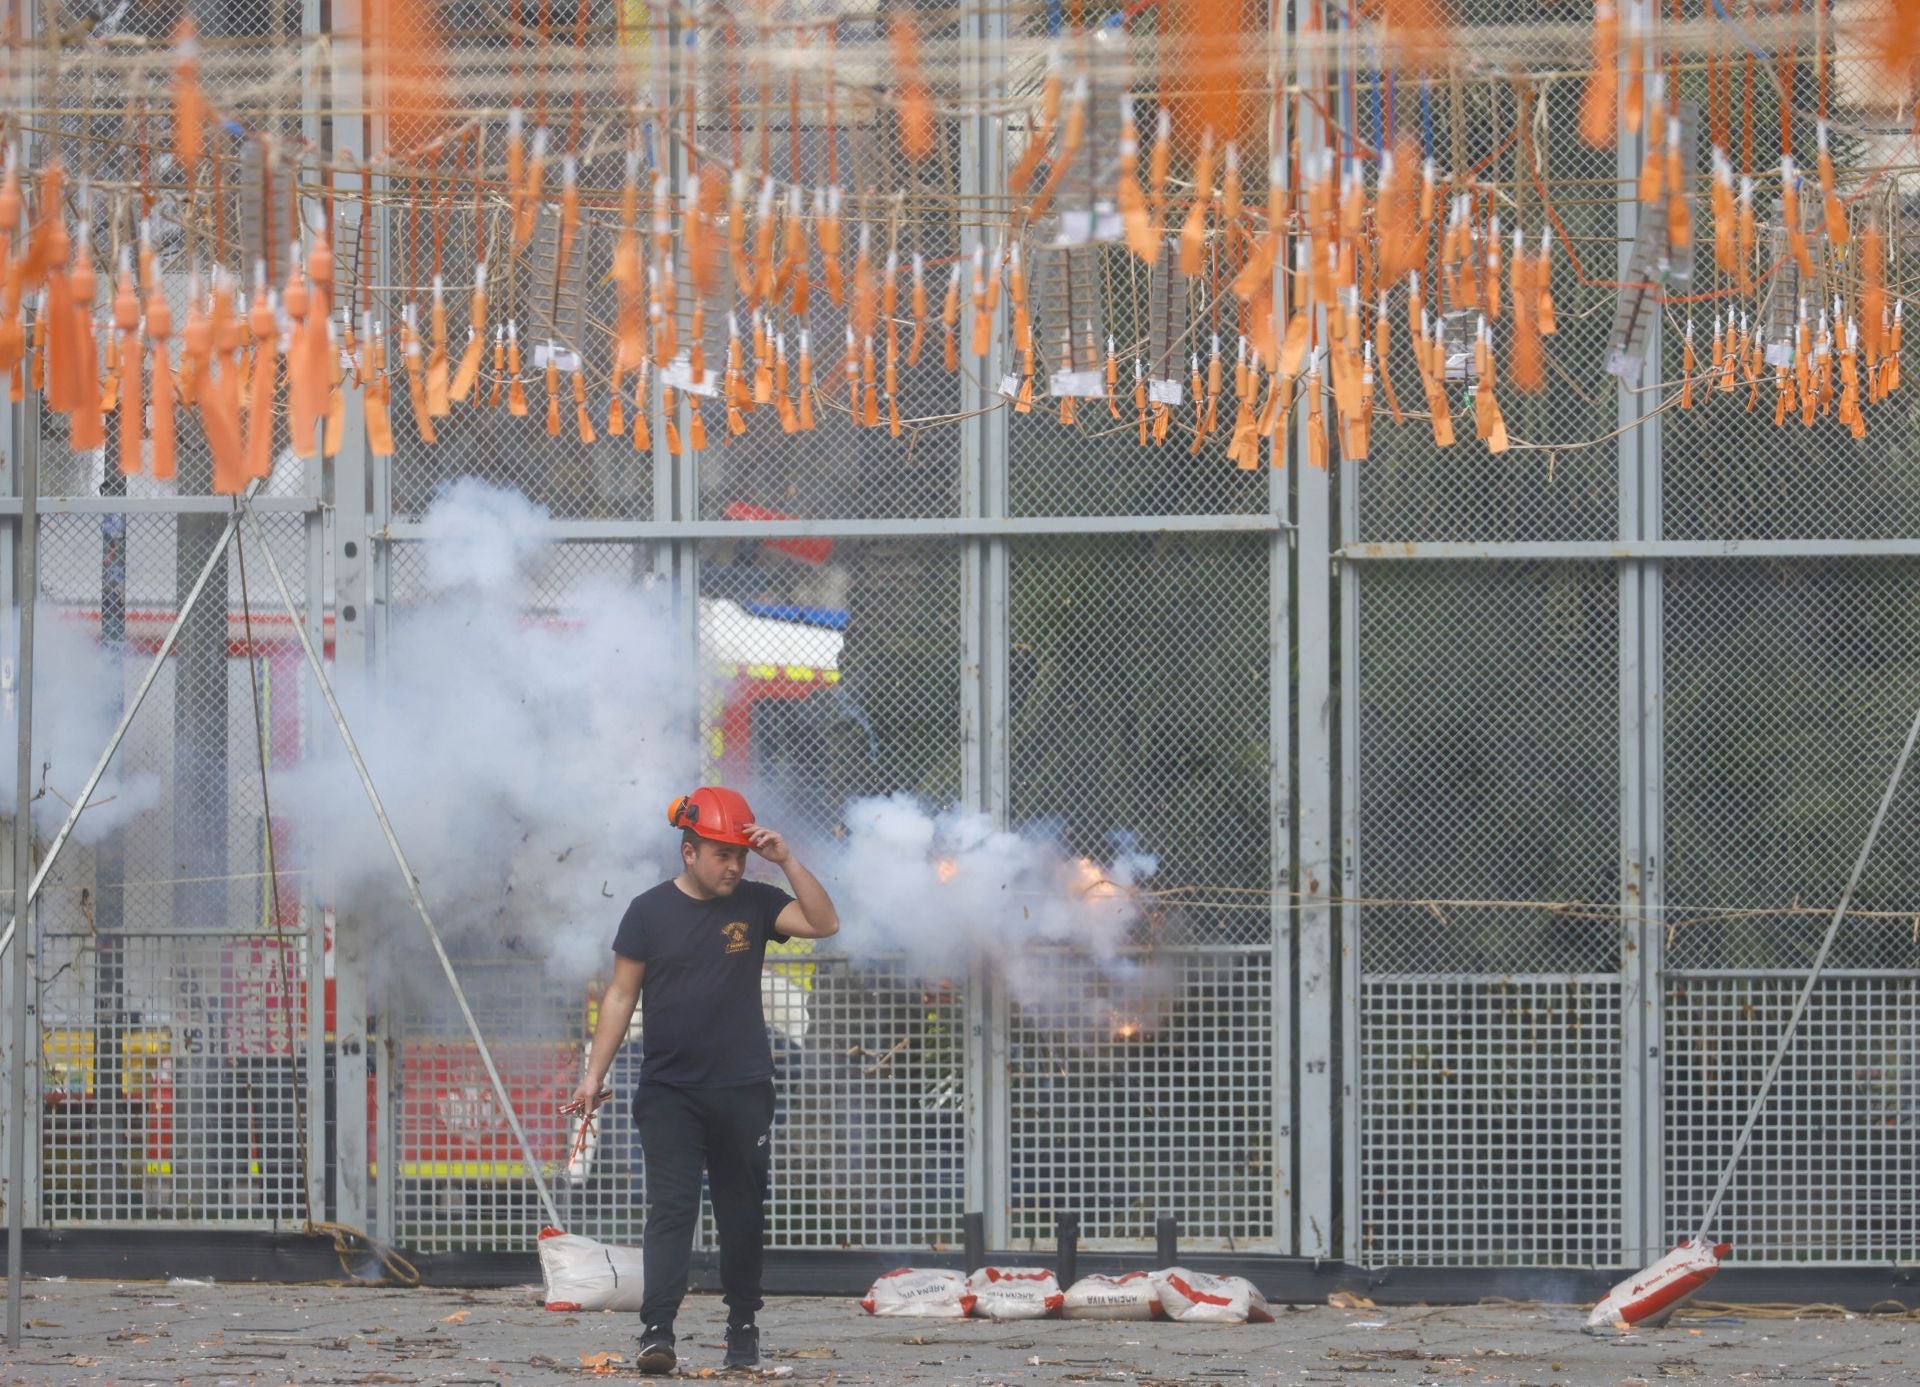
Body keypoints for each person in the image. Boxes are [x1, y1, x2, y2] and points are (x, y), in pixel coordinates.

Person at [565, 786, 839, 1375]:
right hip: (668, 1091)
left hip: (743, 1088)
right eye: (722, 855)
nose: (734, 866)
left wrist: (786, 859)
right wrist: (593, 1076)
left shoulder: (758, 901)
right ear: (688, 852)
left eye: (740, 855)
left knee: (741, 1213)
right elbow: (619, 995)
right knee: (671, 1210)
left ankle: (743, 1329)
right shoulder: (646, 911)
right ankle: (657, 1333)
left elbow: (824, 922)